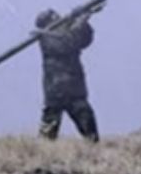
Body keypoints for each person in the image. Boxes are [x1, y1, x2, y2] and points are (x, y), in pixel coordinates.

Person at [35, 8, 100, 142]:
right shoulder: (46, 37)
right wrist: (79, 22)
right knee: (49, 127)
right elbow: (67, 44)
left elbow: (85, 40)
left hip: (74, 87)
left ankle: (93, 147)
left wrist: (83, 23)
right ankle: (41, 150)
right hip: (56, 88)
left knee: (87, 121)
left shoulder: (66, 32)